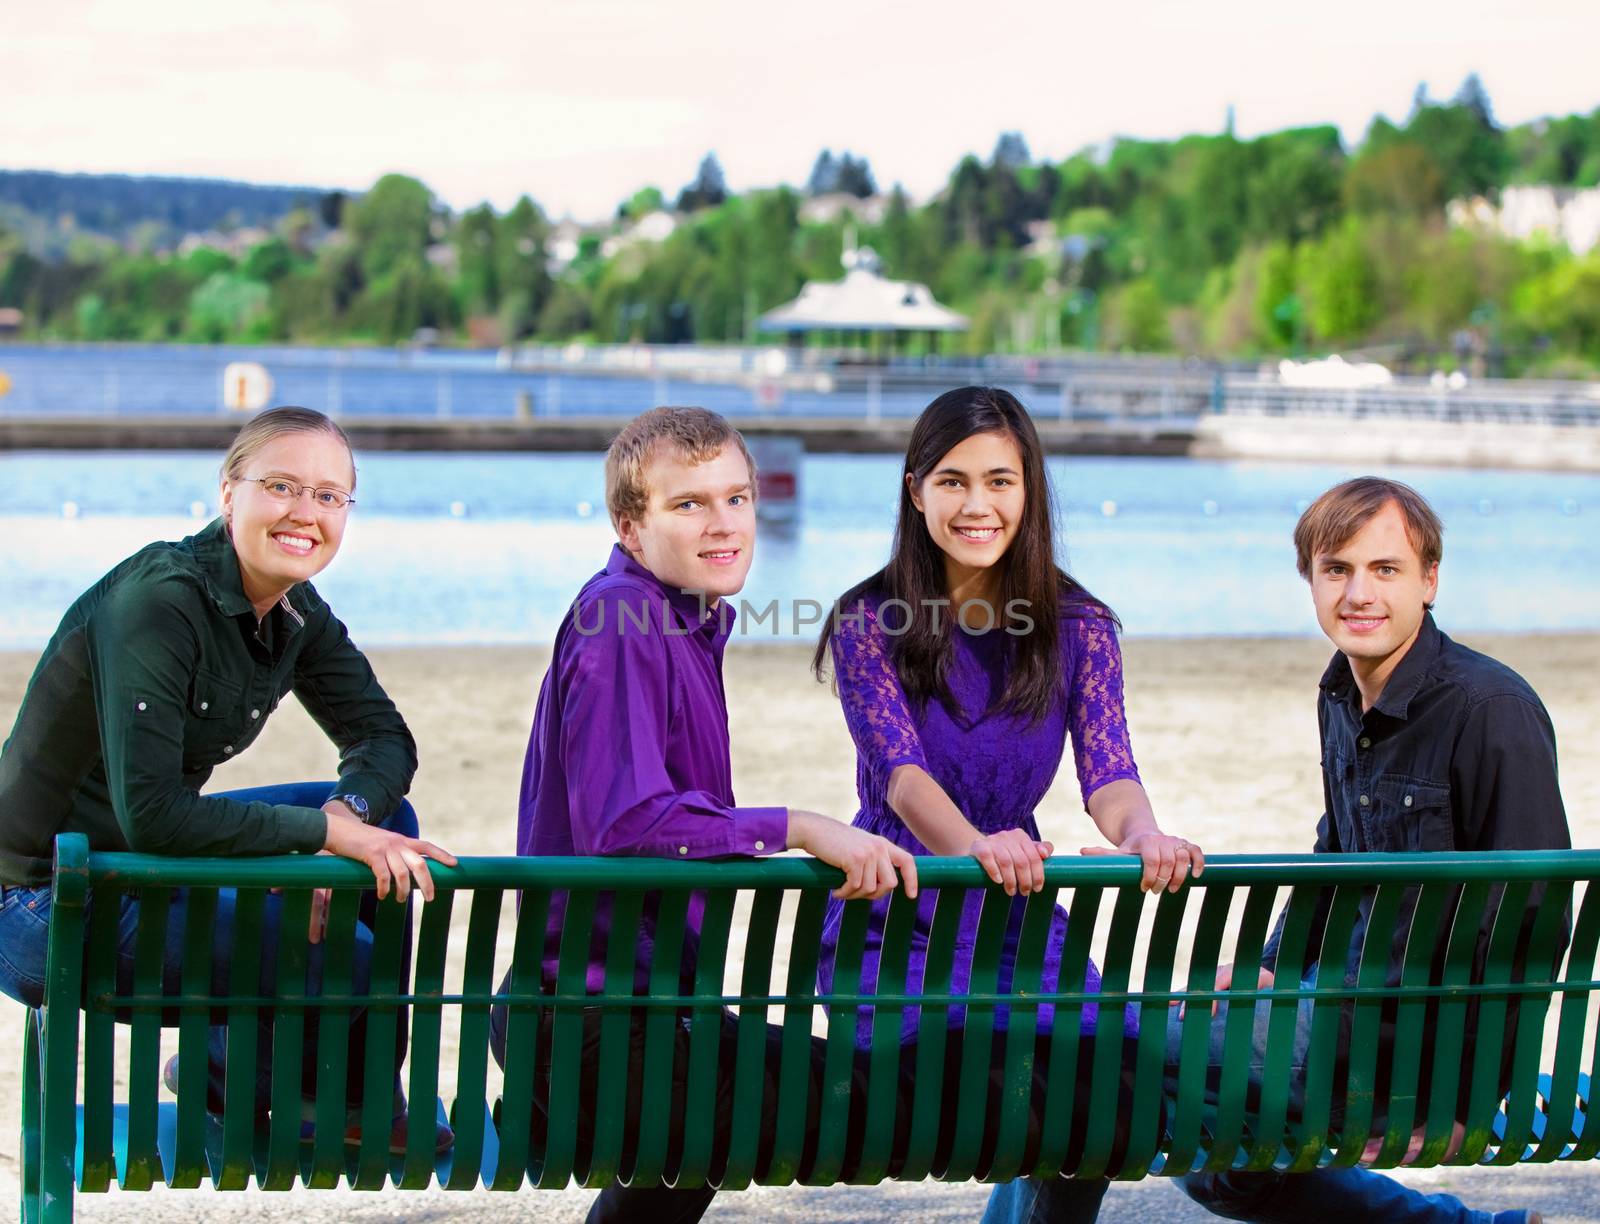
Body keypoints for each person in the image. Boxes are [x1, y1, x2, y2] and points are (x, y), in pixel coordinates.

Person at [498, 405, 920, 1223]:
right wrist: (799, 825)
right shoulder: (621, 622)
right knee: (896, 1102)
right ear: (631, 525)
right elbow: (626, 825)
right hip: (598, 1031)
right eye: (688, 504)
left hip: (643, 1016)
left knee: (846, 1095)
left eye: (737, 498)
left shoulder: (673, 619)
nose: (723, 524)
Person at [0, 405, 457, 1153]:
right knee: (350, 955)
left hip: (142, 866)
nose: (304, 512)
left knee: (388, 826)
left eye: (329, 495)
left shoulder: (292, 608)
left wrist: (341, 817)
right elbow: (154, 816)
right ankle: (238, 1074)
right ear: (228, 493)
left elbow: (382, 738)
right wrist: (319, 835)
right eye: (281, 485)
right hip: (45, 902)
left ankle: (336, 1094)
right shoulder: (158, 603)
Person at [812, 385, 1203, 1223]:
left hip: (1016, 914)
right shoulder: (866, 621)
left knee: (1112, 1093)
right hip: (903, 913)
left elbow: (1110, 770)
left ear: (1029, 491)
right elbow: (901, 776)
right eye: (952, 481)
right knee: (995, 1085)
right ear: (915, 490)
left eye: (1000, 480)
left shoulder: (1079, 623)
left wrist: (1144, 833)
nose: (977, 504)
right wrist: (976, 844)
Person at [1169, 477, 1563, 1224]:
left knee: (1094, 1058)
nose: (1359, 592)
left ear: (1430, 581)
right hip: (1333, 1002)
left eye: (1385, 570)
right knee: (1216, 1169)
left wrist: (1465, 1095)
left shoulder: (1490, 709)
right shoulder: (1342, 695)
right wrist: (1269, 967)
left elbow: (1532, 919)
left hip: (1403, 1047)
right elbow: (1335, 854)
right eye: (1337, 569)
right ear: (1311, 582)